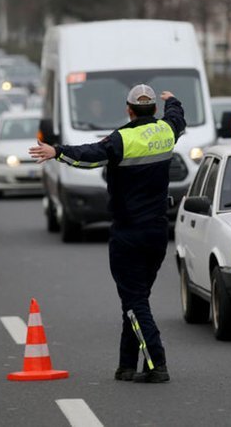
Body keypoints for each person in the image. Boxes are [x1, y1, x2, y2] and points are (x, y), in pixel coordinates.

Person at [29, 84, 185, 383]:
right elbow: (177, 118)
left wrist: (56, 152)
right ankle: (126, 365)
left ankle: (157, 363)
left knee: (135, 301)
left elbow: (89, 156)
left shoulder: (121, 139)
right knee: (136, 299)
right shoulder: (166, 131)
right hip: (157, 232)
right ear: (154, 109)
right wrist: (173, 101)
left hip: (129, 233)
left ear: (128, 109)